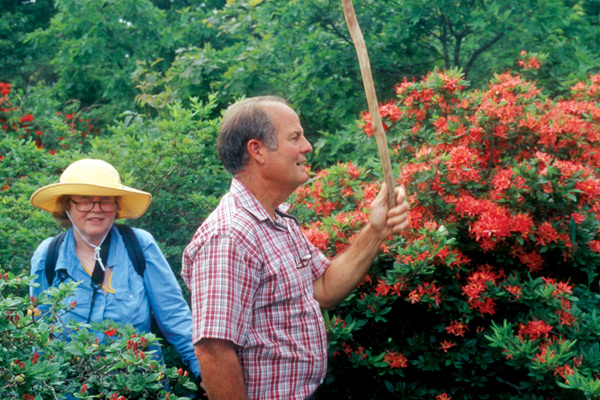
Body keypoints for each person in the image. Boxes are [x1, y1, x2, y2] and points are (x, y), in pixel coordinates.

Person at [182, 96, 410, 399]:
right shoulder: (229, 236)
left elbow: (324, 288)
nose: (307, 147)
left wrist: (375, 231)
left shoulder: (278, 222)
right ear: (257, 151)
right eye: (295, 137)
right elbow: (213, 349)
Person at [30, 159, 201, 380]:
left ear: (116, 206)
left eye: (106, 201)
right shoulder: (48, 255)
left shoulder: (139, 245)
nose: (96, 209)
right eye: (84, 200)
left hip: (139, 387)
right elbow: (39, 333)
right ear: (66, 206)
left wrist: (206, 373)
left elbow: (175, 317)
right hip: (69, 390)